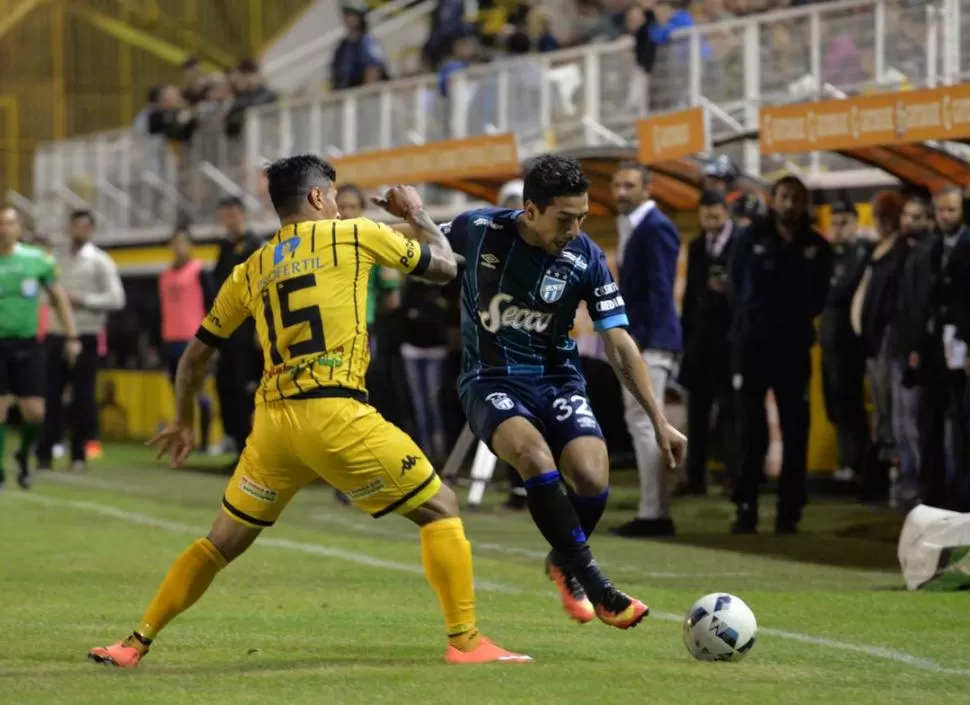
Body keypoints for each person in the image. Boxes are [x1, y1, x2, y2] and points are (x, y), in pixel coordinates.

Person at [87, 155, 530, 668]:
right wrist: (418, 214)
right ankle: (467, 641)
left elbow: (194, 357)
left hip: (273, 427)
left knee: (221, 541)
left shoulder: (251, 267)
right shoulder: (355, 236)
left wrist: (183, 419)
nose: (341, 207)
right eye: (334, 196)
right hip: (335, 414)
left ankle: (134, 642)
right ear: (319, 197)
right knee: (441, 509)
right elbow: (446, 267)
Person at [447, 154, 686, 626]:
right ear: (530, 211)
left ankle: (562, 559)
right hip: (490, 378)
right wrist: (406, 218)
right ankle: (598, 585)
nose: (575, 229)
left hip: (556, 380)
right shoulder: (477, 228)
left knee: (593, 479)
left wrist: (659, 421)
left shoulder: (587, 257)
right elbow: (418, 238)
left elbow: (619, 341)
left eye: (582, 216)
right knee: (534, 457)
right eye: (565, 218)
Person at [728, 175, 833, 534]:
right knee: (750, 431)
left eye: (797, 198)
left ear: (805, 204)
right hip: (752, 349)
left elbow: (819, 298)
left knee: (795, 430)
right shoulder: (750, 239)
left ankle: (790, 511)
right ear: (773, 200)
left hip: (793, 350)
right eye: (784, 197)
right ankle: (746, 506)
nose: (790, 204)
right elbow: (735, 289)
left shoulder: (817, 246)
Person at [609, 161, 682, 538]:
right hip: (642, 340)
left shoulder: (655, 228)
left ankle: (654, 513)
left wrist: (640, 343)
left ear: (647, 189)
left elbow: (660, 291)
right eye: (617, 185)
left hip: (649, 341)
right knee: (641, 422)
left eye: (629, 185)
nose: (621, 192)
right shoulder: (637, 226)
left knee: (646, 422)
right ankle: (652, 509)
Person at [37, 209, 125, 473]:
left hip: (86, 336)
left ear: (91, 230)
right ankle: (45, 453)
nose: (79, 231)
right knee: (51, 395)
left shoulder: (100, 261)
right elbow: (44, 295)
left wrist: (84, 299)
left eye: (85, 227)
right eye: (75, 226)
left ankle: (78, 454)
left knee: (83, 397)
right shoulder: (56, 260)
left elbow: (117, 299)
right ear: (69, 228)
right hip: (56, 334)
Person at [0, 207, 81, 489]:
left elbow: (59, 299)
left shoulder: (37, 261)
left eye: (9, 223)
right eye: (0, 223)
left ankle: (23, 453)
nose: (4, 229)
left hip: (28, 344)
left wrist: (72, 335)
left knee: (35, 412)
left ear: (18, 227)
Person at [676, 190, 738, 496]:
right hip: (700, 344)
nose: (710, 215)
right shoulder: (697, 244)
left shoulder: (742, 241)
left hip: (729, 343)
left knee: (731, 413)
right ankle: (695, 477)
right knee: (696, 414)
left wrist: (729, 290)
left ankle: (733, 477)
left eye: (715, 209)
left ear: (726, 211)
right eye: (705, 210)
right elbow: (689, 296)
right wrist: (685, 338)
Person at [819, 200, 871, 482]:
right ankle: (847, 461)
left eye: (843, 223)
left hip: (851, 342)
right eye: (834, 223)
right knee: (834, 403)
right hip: (829, 339)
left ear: (855, 222)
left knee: (849, 403)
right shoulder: (828, 254)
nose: (838, 229)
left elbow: (842, 290)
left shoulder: (862, 253)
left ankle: (856, 464)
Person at [211, 196, 263, 464]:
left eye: (233, 214)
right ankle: (236, 445)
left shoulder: (254, 246)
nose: (229, 220)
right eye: (225, 215)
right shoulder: (224, 249)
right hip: (226, 334)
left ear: (242, 215)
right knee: (226, 388)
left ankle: (251, 451)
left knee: (247, 391)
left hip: (247, 333)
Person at [892, 196, 934, 506]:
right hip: (898, 346)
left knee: (914, 423)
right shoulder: (901, 251)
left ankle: (920, 487)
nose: (909, 221)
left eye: (917, 216)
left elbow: (920, 305)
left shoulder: (928, 253)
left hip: (915, 351)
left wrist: (916, 347)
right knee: (901, 424)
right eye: (906, 215)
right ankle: (910, 485)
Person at [159, 226, 214, 452]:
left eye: (182, 242)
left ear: (190, 246)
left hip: (194, 340)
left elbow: (213, 305)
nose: (178, 247)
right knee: (179, 393)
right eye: (175, 243)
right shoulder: (164, 276)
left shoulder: (199, 272)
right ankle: (184, 437)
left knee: (198, 390)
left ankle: (206, 441)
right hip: (170, 339)